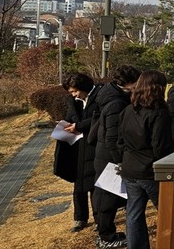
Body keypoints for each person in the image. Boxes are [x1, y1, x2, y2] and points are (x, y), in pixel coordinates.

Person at [116, 70, 173, 249]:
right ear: (159, 88)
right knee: (167, 211)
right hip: (151, 170)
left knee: (134, 213)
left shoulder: (127, 110)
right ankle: (172, 242)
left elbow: (120, 141)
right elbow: (160, 147)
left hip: (130, 168)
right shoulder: (159, 112)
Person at [92, 64, 141, 249]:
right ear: (128, 83)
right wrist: (119, 161)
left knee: (106, 198)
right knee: (107, 199)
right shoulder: (116, 103)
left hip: (105, 154)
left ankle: (105, 232)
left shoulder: (112, 95)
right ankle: (107, 237)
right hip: (109, 158)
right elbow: (112, 137)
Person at [61, 73, 103, 232]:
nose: (73, 95)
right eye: (71, 92)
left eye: (75, 91)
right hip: (78, 145)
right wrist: (66, 125)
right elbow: (70, 116)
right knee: (78, 184)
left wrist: (79, 126)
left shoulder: (100, 96)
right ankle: (80, 217)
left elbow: (100, 118)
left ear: (84, 87)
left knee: (95, 184)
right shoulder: (73, 101)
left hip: (95, 144)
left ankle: (99, 219)